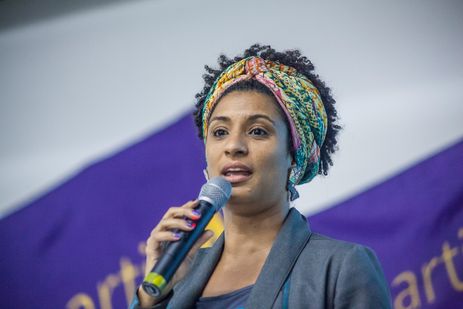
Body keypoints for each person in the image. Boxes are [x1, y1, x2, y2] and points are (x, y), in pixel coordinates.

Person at [130, 44, 392, 308]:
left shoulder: (340, 267)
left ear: (293, 156)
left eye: (257, 131)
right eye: (220, 132)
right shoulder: (179, 274)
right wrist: (153, 297)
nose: (233, 146)